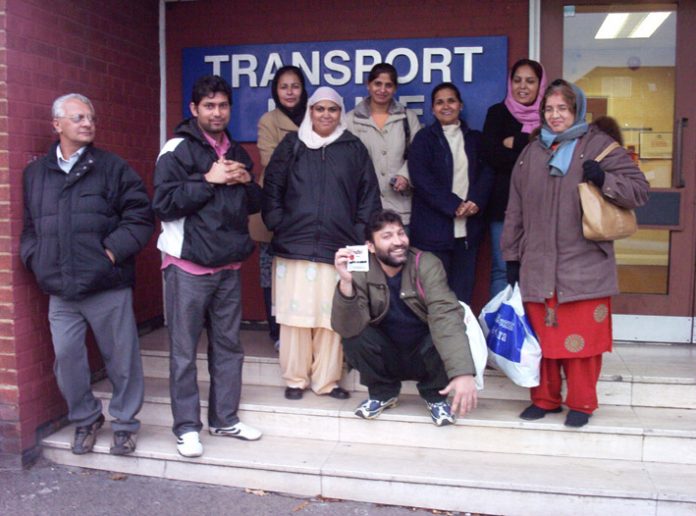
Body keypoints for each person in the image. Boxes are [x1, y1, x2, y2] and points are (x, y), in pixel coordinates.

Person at [501, 79, 649, 428]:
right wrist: (511, 256)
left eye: (562, 109)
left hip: (584, 264)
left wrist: (604, 180)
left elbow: (639, 191)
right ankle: (545, 399)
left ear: (577, 110)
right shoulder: (531, 152)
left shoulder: (600, 147)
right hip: (537, 263)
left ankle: (582, 403)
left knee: (582, 344)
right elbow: (515, 209)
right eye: (549, 109)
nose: (555, 116)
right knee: (543, 339)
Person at [20, 93, 154, 456]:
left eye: (91, 118)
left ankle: (125, 423)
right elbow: (30, 227)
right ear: (57, 124)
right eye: (78, 118)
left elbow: (140, 217)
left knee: (121, 360)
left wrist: (110, 253)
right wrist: (36, 259)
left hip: (106, 284)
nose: (87, 124)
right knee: (67, 359)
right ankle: (86, 418)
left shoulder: (112, 168)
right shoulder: (36, 174)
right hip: (61, 288)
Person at [153, 75, 263, 458]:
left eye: (223, 105)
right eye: (209, 106)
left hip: (228, 265)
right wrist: (208, 179)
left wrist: (247, 181)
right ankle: (186, 427)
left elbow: (252, 204)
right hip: (187, 266)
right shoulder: (177, 149)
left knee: (229, 347)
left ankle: (224, 419)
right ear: (194, 109)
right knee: (184, 351)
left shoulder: (236, 150)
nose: (217, 112)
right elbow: (163, 204)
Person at [263, 86, 381, 401]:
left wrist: (358, 238)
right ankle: (295, 379)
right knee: (295, 318)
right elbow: (272, 185)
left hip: (341, 249)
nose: (325, 115)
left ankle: (327, 381)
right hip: (294, 246)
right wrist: (277, 222)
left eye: (332, 109)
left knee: (334, 318)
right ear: (310, 112)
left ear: (340, 113)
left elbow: (369, 197)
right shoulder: (292, 145)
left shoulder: (354, 148)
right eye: (319, 109)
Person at [331, 210, 478, 426]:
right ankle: (383, 393)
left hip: (424, 353)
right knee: (355, 335)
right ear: (370, 246)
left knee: (442, 328)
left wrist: (463, 372)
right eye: (387, 236)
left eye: (401, 233)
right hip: (387, 353)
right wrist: (345, 283)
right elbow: (345, 326)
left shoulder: (426, 264)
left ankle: (436, 397)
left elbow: (445, 316)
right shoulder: (361, 269)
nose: (399, 241)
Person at [407, 82, 493, 303]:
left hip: (467, 235)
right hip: (433, 233)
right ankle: (433, 339)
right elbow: (422, 178)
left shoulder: (476, 139)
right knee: (433, 298)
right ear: (433, 109)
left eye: (451, 100)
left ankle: (459, 338)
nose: (446, 106)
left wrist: (476, 201)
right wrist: (453, 205)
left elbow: (487, 173)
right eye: (439, 102)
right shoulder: (424, 139)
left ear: (460, 105)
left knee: (462, 298)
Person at [252, 65, 309, 351]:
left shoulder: (316, 115)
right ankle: (276, 332)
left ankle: (300, 329)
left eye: (295, 86)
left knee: (302, 270)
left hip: (309, 206)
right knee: (270, 272)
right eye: (284, 86)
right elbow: (270, 160)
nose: (289, 92)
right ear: (276, 90)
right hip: (274, 204)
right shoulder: (268, 119)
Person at [482, 59, 547, 297]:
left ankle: (532, 330)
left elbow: (549, 158)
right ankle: (501, 330)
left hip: (542, 206)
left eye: (530, 81)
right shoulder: (497, 113)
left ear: (540, 84)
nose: (523, 86)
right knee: (502, 270)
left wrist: (517, 142)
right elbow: (492, 156)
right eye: (517, 80)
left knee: (537, 269)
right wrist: (532, 147)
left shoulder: (549, 116)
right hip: (504, 205)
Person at [346, 63, 421, 227]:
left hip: (400, 208)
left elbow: (419, 156)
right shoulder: (349, 120)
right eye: (377, 84)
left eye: (388, 85)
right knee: (365, 253)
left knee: (399, 252)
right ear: (368, 85)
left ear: (395, 89)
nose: (382, 89)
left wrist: (405, 176)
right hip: (362, 208)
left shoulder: (408, 118)